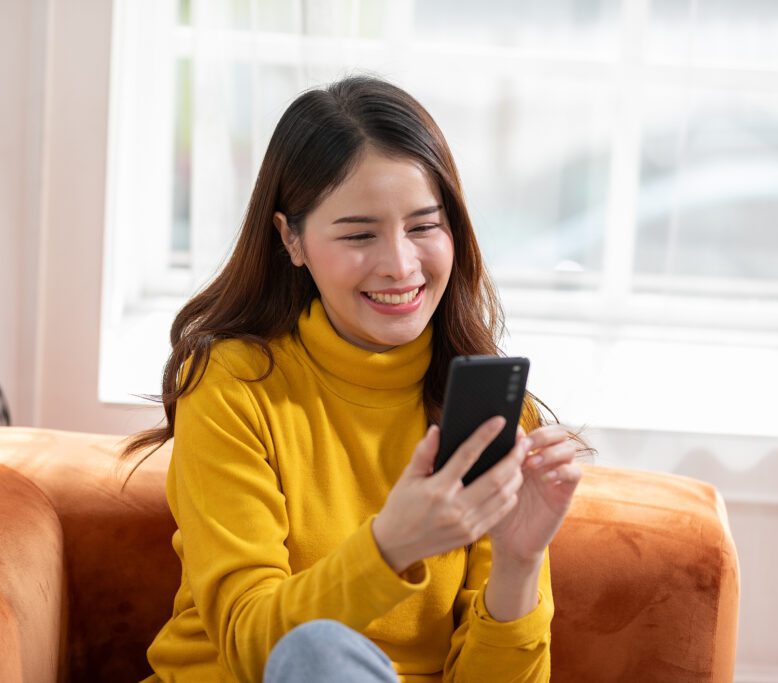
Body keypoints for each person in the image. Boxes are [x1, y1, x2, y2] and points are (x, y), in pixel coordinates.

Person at [121, 75, 584, 683]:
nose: (400, 264)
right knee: (317, 655)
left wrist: (521, 565)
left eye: (424, 226)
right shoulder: (233, 386)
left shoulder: (493, 415)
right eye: (360, 234)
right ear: (292, 238)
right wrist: (391, 545)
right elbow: (253, 644)